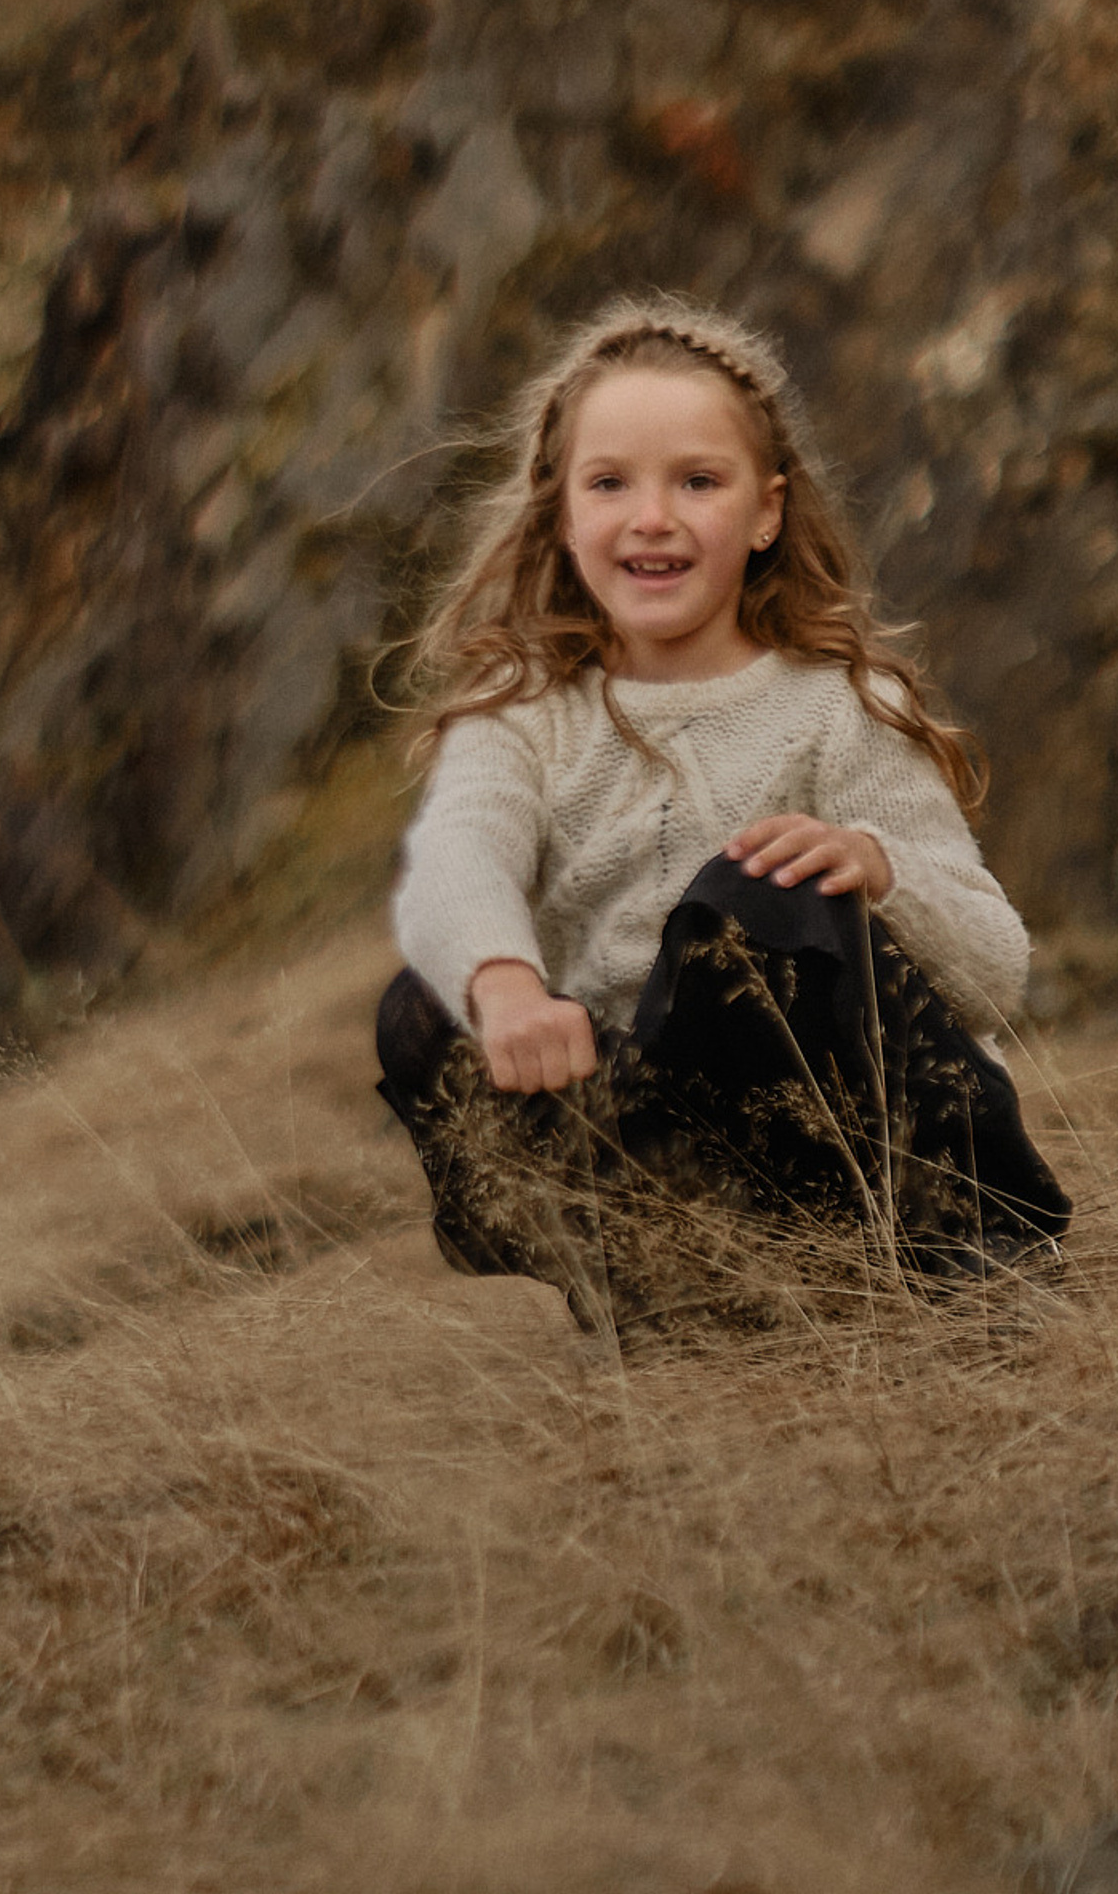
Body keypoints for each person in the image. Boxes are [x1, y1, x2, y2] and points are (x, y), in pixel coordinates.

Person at [377, 295, 1068, 1329]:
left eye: (697, 481)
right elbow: (457, 856)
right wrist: (506, 988)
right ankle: (678, 1281)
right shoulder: (521, 714)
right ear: (561, 515)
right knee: (426, 1003)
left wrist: (876, 867)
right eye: (609, 483)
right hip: (674, 1158)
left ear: (766, 512)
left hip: (874, 1151)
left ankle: (966, 1251)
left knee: (758, 890)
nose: (651, 517)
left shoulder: (839, 706)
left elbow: (995, 968)